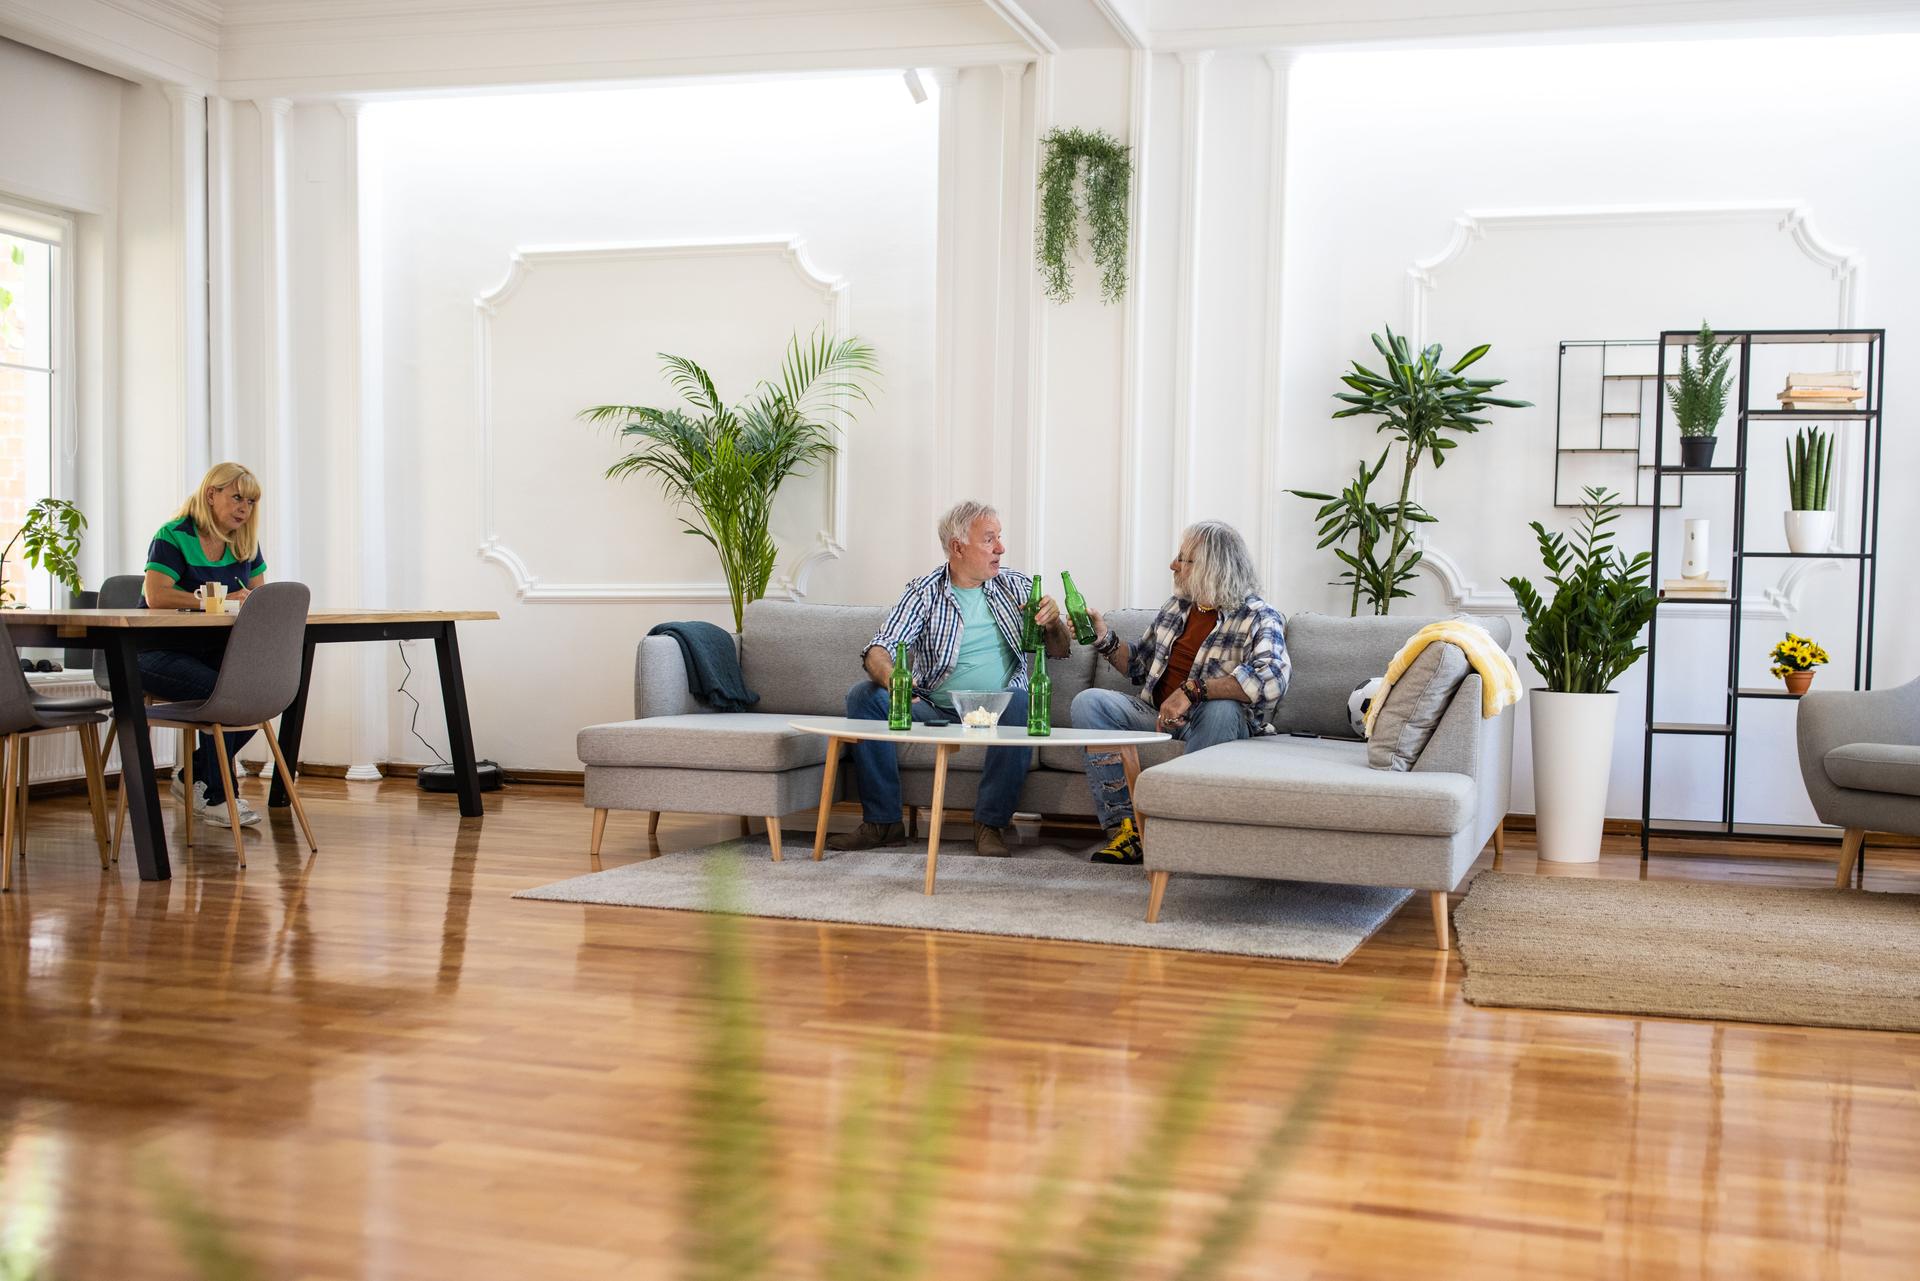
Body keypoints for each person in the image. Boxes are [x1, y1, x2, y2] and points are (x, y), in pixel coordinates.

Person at [833, 500, 1071, 857]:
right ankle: (883, 823)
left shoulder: (1017, 586)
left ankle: (990, 824)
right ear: (958, 547)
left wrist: (1053, 622)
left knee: (1023, 702)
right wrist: (895, 683)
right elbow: (878, 650)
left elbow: (1058, 651)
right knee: (863, 697)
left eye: (1000, 538)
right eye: (989, 539)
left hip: (1000, 708)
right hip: (935, 706)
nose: (1001, 548)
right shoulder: (925, 591)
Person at [1072, 520, 1290, 865]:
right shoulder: (1177, 608)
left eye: (1183, 559)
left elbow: (1273, 678)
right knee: (1089, 702)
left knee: (1222, 709)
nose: (1173, 565)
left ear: (1212, 567)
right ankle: (1129, 830)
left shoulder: (1258, 616)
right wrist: (1104, 638)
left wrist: (1195, 690)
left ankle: (1187, 830)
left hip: (1210, 723)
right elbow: (1139, 666)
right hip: (1158, 717)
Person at [138, 462, 269, 828]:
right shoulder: (173, 535)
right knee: (228, 694)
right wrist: (222, 599)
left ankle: (192, 775)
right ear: (211, 495)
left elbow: (258, 598)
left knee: (262, 692)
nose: (245, 507)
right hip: (153, 652)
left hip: (210, 652)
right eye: (237, 497)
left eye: (252, 501)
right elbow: (156, 596)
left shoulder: (244, 543)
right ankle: (215, 795)